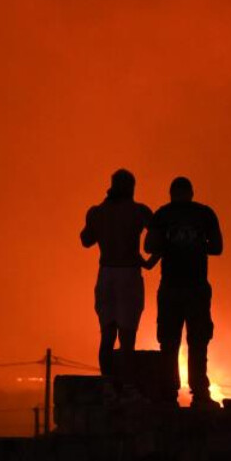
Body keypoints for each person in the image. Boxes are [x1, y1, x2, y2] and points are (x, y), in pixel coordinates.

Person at [144, 176, 223, 408]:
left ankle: (169, 394)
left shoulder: (163, 214)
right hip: (196, 287)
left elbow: (149, 246)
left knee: (169, 342)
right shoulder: (205, 214)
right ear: (191, 192)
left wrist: (170, 244)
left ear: (171, 193)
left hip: (171, 287)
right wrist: (197, 245)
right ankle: (199, 393)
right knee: (198, 341)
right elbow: (218, 247)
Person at [80, 169, 156, 395]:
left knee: (107, 334)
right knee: (127, 337)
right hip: (128, 274)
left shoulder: (97, 212)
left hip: (106, 274)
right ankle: (129, 387)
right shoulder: (139, 211)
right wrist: (149, 261)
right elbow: (157, 239)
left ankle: (108, 386)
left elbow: (86, 240)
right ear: (132, 187)